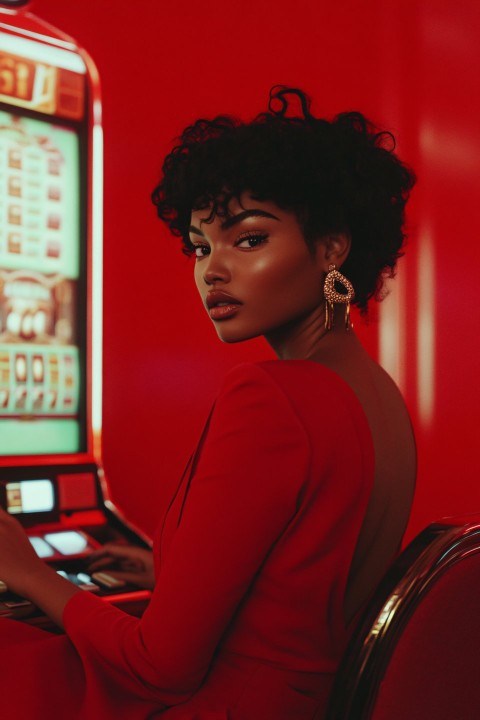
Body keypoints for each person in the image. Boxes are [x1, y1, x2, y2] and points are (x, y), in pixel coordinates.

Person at [0, 86, 416, 719]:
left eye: (248, 240)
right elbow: (300, 589)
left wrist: (28, 572)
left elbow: (159, 667)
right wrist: (169, 571)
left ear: (333, 247)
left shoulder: (274, 396)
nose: (212, 271)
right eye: (201, 246)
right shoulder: (377, 395)